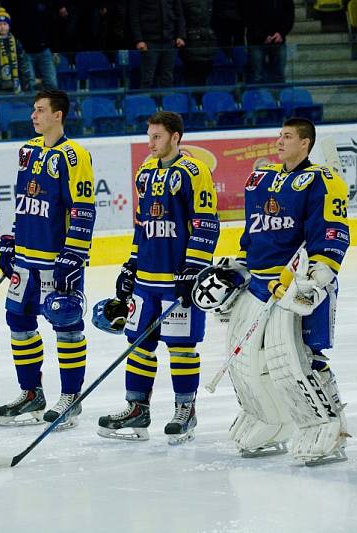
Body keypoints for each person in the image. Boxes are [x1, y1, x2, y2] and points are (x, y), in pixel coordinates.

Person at [198, 117, 350, 465]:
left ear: (306, 143)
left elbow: (331, 230)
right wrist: (239, 267)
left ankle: (328, 423)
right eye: (279, 136)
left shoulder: (320, 181)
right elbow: (253, 233)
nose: (279, 142)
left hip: (294, 281)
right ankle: (268, 417)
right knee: (245, 359)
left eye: (288, 137)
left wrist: (319, 272)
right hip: (259, 282)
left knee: (299, 359)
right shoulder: (263, 179)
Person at [96, 111, 219, 443]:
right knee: (138, 346)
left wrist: (193, 270)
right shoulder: (145, 172)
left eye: (157, 137)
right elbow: (142, 227)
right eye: (149, 136)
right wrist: (131, 265)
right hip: (146, 282)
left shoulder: (194, 172)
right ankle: (137, 408)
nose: (150, 143)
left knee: (181, 349)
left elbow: (207, 223)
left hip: (176, 278)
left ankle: (185, 409)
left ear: (175, 137)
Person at [0, 89, 96, 429]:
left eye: (40, 110)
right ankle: (30, 393)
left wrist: (74, 255)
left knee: (66, 325)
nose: (33, 116)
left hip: (57, 261)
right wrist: (10, 239)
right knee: (18, 324)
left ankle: (70, 398)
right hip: (25, 260)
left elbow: (83, 209)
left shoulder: (73, 155)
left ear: (58, 115)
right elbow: (24, 201)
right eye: (33, 110)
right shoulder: (27, 151)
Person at [129, 0, 186, 88]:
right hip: (149, 41)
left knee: (168, 77)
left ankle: (167, 101)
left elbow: (180, 15)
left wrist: (181, 36)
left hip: (170, 40)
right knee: (147, 78)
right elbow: (134, 17)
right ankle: (146, 101)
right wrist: (139, 40)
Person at [0, 8, 35, 93]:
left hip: (16, 82)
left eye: (5, 24)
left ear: (9, 26)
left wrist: (26, 79)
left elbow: (23, 62)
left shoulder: (16, 42)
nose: (2, 27)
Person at [243, 0, 294, 84]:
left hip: (278, 41)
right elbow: (247, 16)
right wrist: (262, 35)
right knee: (257, 76)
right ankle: (259, 97)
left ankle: (277, 96)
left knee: (279, 75)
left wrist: (282, 33)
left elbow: (289, 14)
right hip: (256, 42)